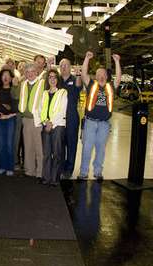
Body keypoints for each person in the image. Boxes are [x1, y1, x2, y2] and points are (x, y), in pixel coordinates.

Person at [78, 51, 122, 180]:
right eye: (98, 74)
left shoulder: (111, 86)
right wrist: (86, 58)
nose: (101, 75)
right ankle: (83, 172)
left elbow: (118, 78)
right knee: (87, 148)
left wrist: (117, 62)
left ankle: (98, 172)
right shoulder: (91, 84)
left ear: (107, 76)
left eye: (103, 74)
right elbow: (84, 73)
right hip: (90, 122)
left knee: (100, 150)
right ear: (95, 76)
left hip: (104, 124)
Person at [40, 69, 68, 186]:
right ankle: (46, 178)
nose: (52, 79)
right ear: (48, 79)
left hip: (58, 126)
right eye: (50, 77)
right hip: (46, 126)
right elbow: (41, 110)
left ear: (58, 79)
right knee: (46, 154)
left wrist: (51, 123)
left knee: (56, 153)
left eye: (54, 77)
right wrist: (45, 122)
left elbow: (62, 110)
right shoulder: (44, 93)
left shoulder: (63, 92)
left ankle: (54, 179)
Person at [18, 62, 45, 178]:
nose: (30, 74)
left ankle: (40, 172)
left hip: (37, 120)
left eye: (32, 72)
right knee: (28, 146)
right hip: (26, 119)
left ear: (36, 72)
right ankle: (29, 171)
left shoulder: (42, 83)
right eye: (27, 72)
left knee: (39, 147)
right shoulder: (23, 84)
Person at [59, 58, 82, 179]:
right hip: (59, 118)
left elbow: (78, 86)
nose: (63, 67)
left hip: (72, 117)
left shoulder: (74, 79)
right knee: (60, 144)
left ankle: (69, 169)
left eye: (66, 65)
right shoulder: (57, 81)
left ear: (70, 67)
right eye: (61, 65)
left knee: (72, 144)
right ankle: (61, 167)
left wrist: (78, 73)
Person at [0, 69, 19, 176]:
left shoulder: (14, 90)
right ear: (0, 77)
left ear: (11, 78)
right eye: (3, 75)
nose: (5, 77)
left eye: (8, 76)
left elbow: (15, 107)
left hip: (11, 119)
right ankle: (1, 166)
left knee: (9, 144)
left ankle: (10, 167)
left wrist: (8, 113)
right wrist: (0, 110)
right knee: (1, 144)